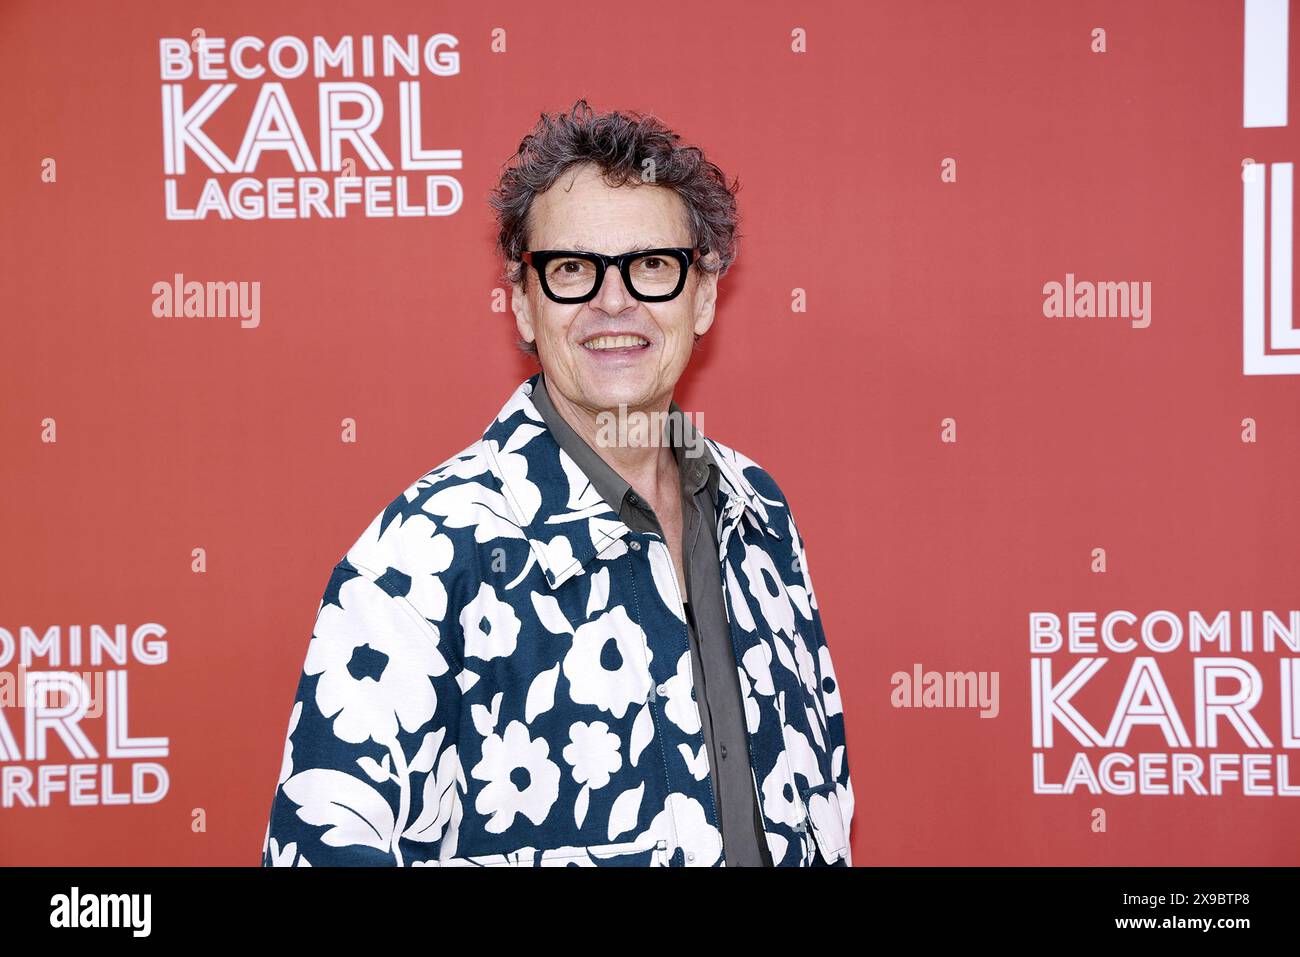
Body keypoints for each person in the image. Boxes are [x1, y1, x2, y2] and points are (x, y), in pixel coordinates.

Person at [261, 99, 854, 867]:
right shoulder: (425, 554)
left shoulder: (759, 512)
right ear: (523, 305)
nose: (614, 302)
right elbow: (313, 851)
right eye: (572, 269)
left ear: (702, 296)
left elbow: (822, 807)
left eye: (651, 265)